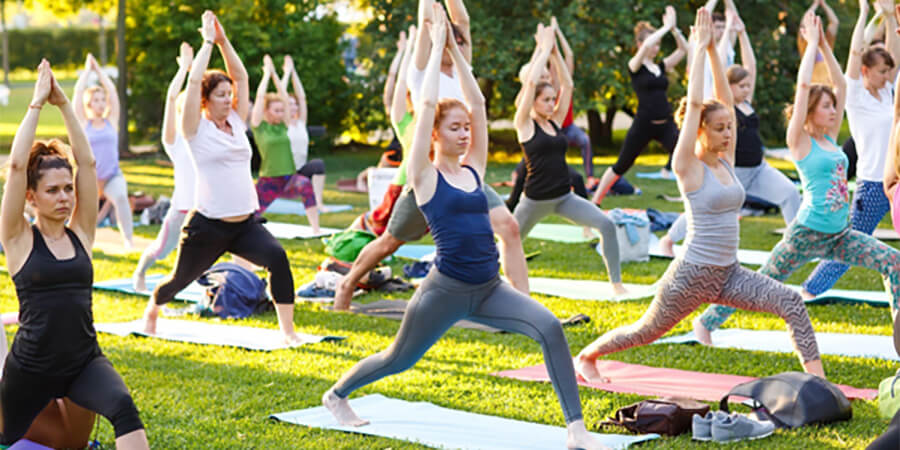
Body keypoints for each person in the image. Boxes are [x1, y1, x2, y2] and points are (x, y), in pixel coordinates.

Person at [322, 11, 607, 449]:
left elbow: (477, 105)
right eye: (454, 129)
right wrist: (435, 51)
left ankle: (576, 431)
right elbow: (426, 110)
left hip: (490, 288)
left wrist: (455, 50)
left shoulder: (474, 170)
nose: (465, 134)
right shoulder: (424, 174)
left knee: (550, 327)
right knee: (398, 359)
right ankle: (336, 394)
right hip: (444, 292)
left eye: (467, 130)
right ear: (434, 134)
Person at [573, 10, 825, 384]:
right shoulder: (686, 165)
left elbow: (722, 98)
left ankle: (820, 383)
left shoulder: (727, 159)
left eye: (730, 128)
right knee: (645, 332)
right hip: (690, 277)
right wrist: (699, 49)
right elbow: (694, 107)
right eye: (720, 128)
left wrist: (711, 54)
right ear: (701, 131)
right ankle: (587, 355)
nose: (728, 134)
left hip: (729, 274)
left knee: (790, 302)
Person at [694, 11, 900, 354]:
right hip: (806, 232)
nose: (834, 111)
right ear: (809, 113)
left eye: (834, 107)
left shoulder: (832, 138)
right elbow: (805, 87)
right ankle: (706, 322)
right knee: (760, 281)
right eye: (826, 107)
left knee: (894, 263)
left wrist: (825, 47)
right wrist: (811, 49)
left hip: (840, 234)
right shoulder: (799, 142)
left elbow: (840, 85)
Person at [333, 0, 529, 309]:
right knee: (390, 241)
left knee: (509, 227)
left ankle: (522, 304)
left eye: (459, 42)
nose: (458, 47)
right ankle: (346, 283)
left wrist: (453, 28)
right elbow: (426, 15)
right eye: (452, 41)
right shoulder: (422, 70)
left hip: (464, 174)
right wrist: (437, 33)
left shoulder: (462, 72)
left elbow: (461, 18)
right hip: (428, 177)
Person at [0, 59, 149, 448]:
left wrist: (66, 104)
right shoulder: (17, 238)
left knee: (123, 408)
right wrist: (35, 105)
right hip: (30, 369)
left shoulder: (82, 231)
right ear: (31, 197)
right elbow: (16, 167)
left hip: (83, 360)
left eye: (68, 188)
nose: (65, 197)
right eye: (53, 190)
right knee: (11, 438)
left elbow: (88, 163)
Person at [143, 11, 304, 345]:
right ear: (204, 99)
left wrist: (222, 40)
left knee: (277, 258)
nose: (229, 98)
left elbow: (242, 78)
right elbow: (191, 83)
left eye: (229, 94)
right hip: (208, 225)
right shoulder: (194, 129)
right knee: (178, 281)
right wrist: (205, 44)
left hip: (245, 224)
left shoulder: (236, 120)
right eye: (220, 94)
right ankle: (153, 309)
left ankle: (288, 332)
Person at [658, 6, 802, 256]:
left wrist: (742, 34)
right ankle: (669, 238)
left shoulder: (745, 104)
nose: (747, 89)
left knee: (790, 192)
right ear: (729, 85)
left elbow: (752, 66)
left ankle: (797, 245)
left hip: (759, 169)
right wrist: (709, 46)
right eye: (741, 85)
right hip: (735, 171)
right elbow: (711, 96)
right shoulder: (720, 111)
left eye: (749, 85)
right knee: (700, 207)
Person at [797, 0, 900, 301]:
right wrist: (865, 13)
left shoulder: (886, 93)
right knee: (852, 243)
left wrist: (890, 19)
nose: (886, 77)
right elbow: (855, 52)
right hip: (871, 184)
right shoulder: (854, 95)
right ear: (865, 71)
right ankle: (810, 289)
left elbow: (893, 54)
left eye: (889, 72)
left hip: (894, 179)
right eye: (881, 72)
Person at [513, 23, 625, 295]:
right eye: (546, 100)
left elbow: (569, 84)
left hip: (564, 198)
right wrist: (541, 48)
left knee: (606, 225)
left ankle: (617, 285)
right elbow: (529, 83)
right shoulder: (525, 124)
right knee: (507, 241)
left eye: (553, 99)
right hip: (534, 201)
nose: (552, 104)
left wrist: (554, 54)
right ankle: (483, 281)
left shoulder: (555, 123)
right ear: (533, 102)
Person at [591, 6, 688, 205]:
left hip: (666, 125)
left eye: (659, 44)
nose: (656, 48)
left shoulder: (660, 67)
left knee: (686, 159)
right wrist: (663, 27)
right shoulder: (634, 66)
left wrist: (674, 29)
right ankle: (596, 200)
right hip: (644, 124)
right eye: (654, 44)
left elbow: (683, 50)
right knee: (621, 165)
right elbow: (644, 49)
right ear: (640, 43)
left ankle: (692, 201)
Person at [132, 42, 197, 292]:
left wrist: (195, 73)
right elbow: (172, 98)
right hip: (181, 209)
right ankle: (140, 272)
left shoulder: (204, 135)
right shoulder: (174, 141)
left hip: (205, 209)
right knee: (161, 249)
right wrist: (184, 70)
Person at [250, 54, 320, 233]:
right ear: (266, 111)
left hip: (289, 178)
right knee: (252, 212)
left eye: (283, 110)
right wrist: (267, 74)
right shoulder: (259, 126)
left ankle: (316, 229)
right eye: (277, 110)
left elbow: (284, 96)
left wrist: (277, 75)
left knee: (305, 184)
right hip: (269, 179)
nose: (282, 113)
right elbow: (259, 98)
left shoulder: (284, 125)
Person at [73, 53, 133, 249]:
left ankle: (129, 242)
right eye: (96, 100)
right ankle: (82, 244)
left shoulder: (111, 121)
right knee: (83, 214)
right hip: (89, 178)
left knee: (122, 198)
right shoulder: (83, 123)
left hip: (111, 176)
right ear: (89, 104)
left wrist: (99, 71)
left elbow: (113, 93)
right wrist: (87, 71)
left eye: (102, 100)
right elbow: (77, 93)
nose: (101, 103)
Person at [282, 54, 327, 209]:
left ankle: (318, 203)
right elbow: (281, 95)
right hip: (285, 176)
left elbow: (302, 97)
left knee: (318, 164)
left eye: (294, 104)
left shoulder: (301, 123)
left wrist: (294, 72)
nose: (293, 107)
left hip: (300, 172)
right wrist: (286, 73)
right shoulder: (284, 123)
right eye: (289, 104)